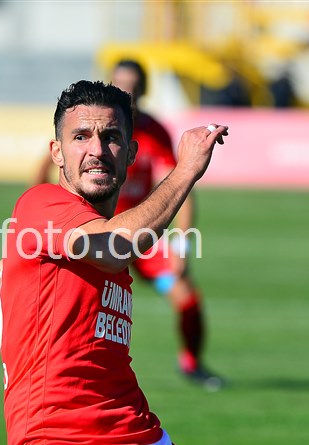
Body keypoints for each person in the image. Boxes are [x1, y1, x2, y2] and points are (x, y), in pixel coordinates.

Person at [0, 79, 228, 445]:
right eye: (80, 136)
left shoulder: (85, 230)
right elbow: (115, 248)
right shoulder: (42, 205)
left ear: (131, 153)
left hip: (144, 443)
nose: (96, 150)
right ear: (56, 152)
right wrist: (187, 169)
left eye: (111, 137)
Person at [34, 60, 223, 389]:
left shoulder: (154, 132)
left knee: (187, 297)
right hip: (93, 233)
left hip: (140, 235)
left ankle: (192, 364)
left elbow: (178, 187)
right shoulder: (90, 128)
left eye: (134, 86)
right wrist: (42, 206)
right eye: (121, 84)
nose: (128, 91)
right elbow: (44, 166)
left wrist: (181, 244)